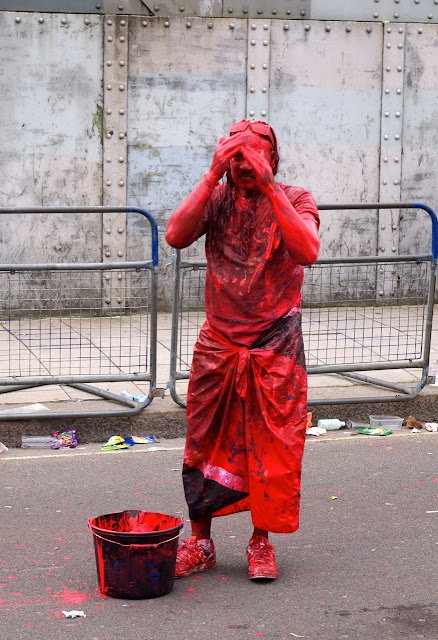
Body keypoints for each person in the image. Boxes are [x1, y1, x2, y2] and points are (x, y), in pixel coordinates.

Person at [165, 119, 320, 581]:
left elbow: (307, 251)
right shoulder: (216, 196)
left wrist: (270, 188)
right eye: (237, 156)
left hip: (275, 341)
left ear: (272, 158)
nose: (245, 165)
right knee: (203, 440)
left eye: (255, 156)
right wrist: (212, 175)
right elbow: (175, 235)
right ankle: (201, 541)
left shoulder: (295, 198)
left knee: (272, 445)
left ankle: (260, 541)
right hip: (220, 339)